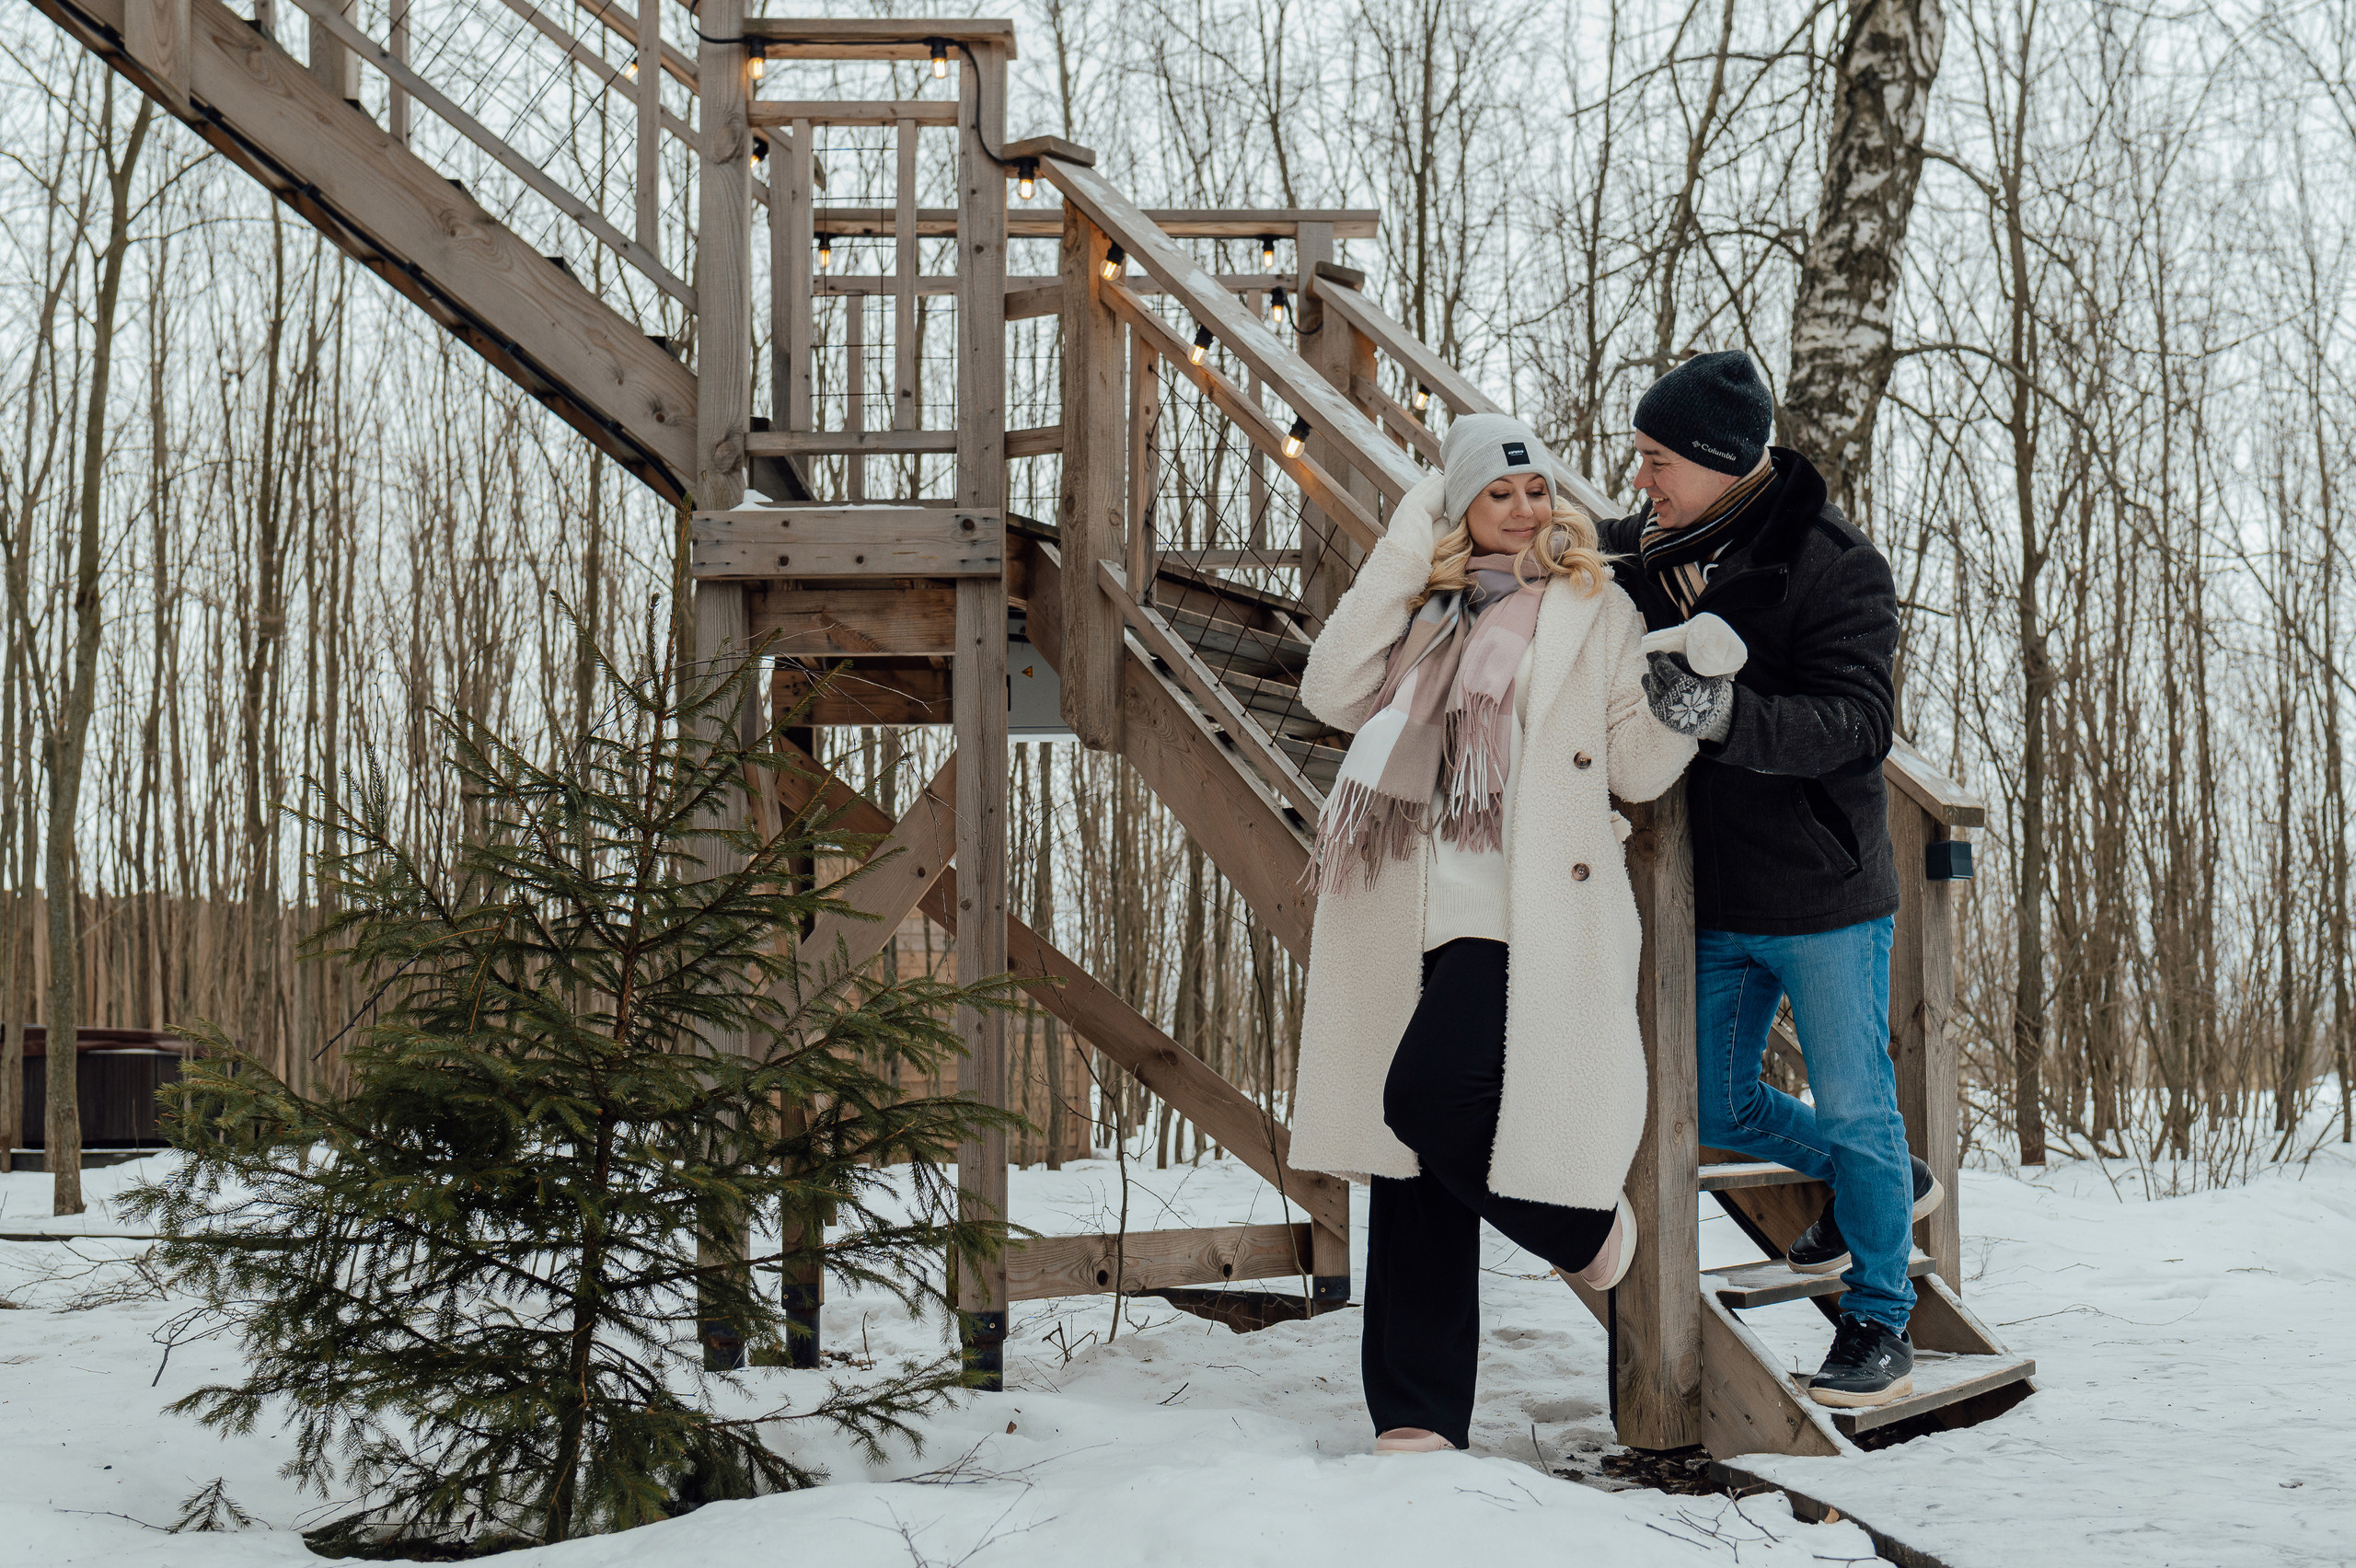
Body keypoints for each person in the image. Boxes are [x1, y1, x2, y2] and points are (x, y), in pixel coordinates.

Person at [1288, 413, 1698, 1456]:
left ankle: (1581, 1229)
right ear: (1456, 511)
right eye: (1493, 494)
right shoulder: (1422, 611)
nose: (1522, 509)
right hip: (1405, 904)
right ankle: (1418, 1416)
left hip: (1518, 917)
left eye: (1534, 491)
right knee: (1411, 1163)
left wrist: (1689, 694)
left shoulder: (1589, 608)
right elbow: (1328, 688)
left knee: (1425, 1098)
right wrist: (1406, 543)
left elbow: (1636, 767)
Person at [1602, 350, 1945, 1409]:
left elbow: (1859, 727)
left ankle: (1879, 1316)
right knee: (1711, 1097)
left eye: (1657, 459)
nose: (1641, 478)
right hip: (1712, 893)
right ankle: (1874, 1182)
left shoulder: (1834, 563)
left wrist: (1729, 720)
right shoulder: (1650, 551)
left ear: (1715, 461)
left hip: (1823, 894)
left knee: (1856, 1107)